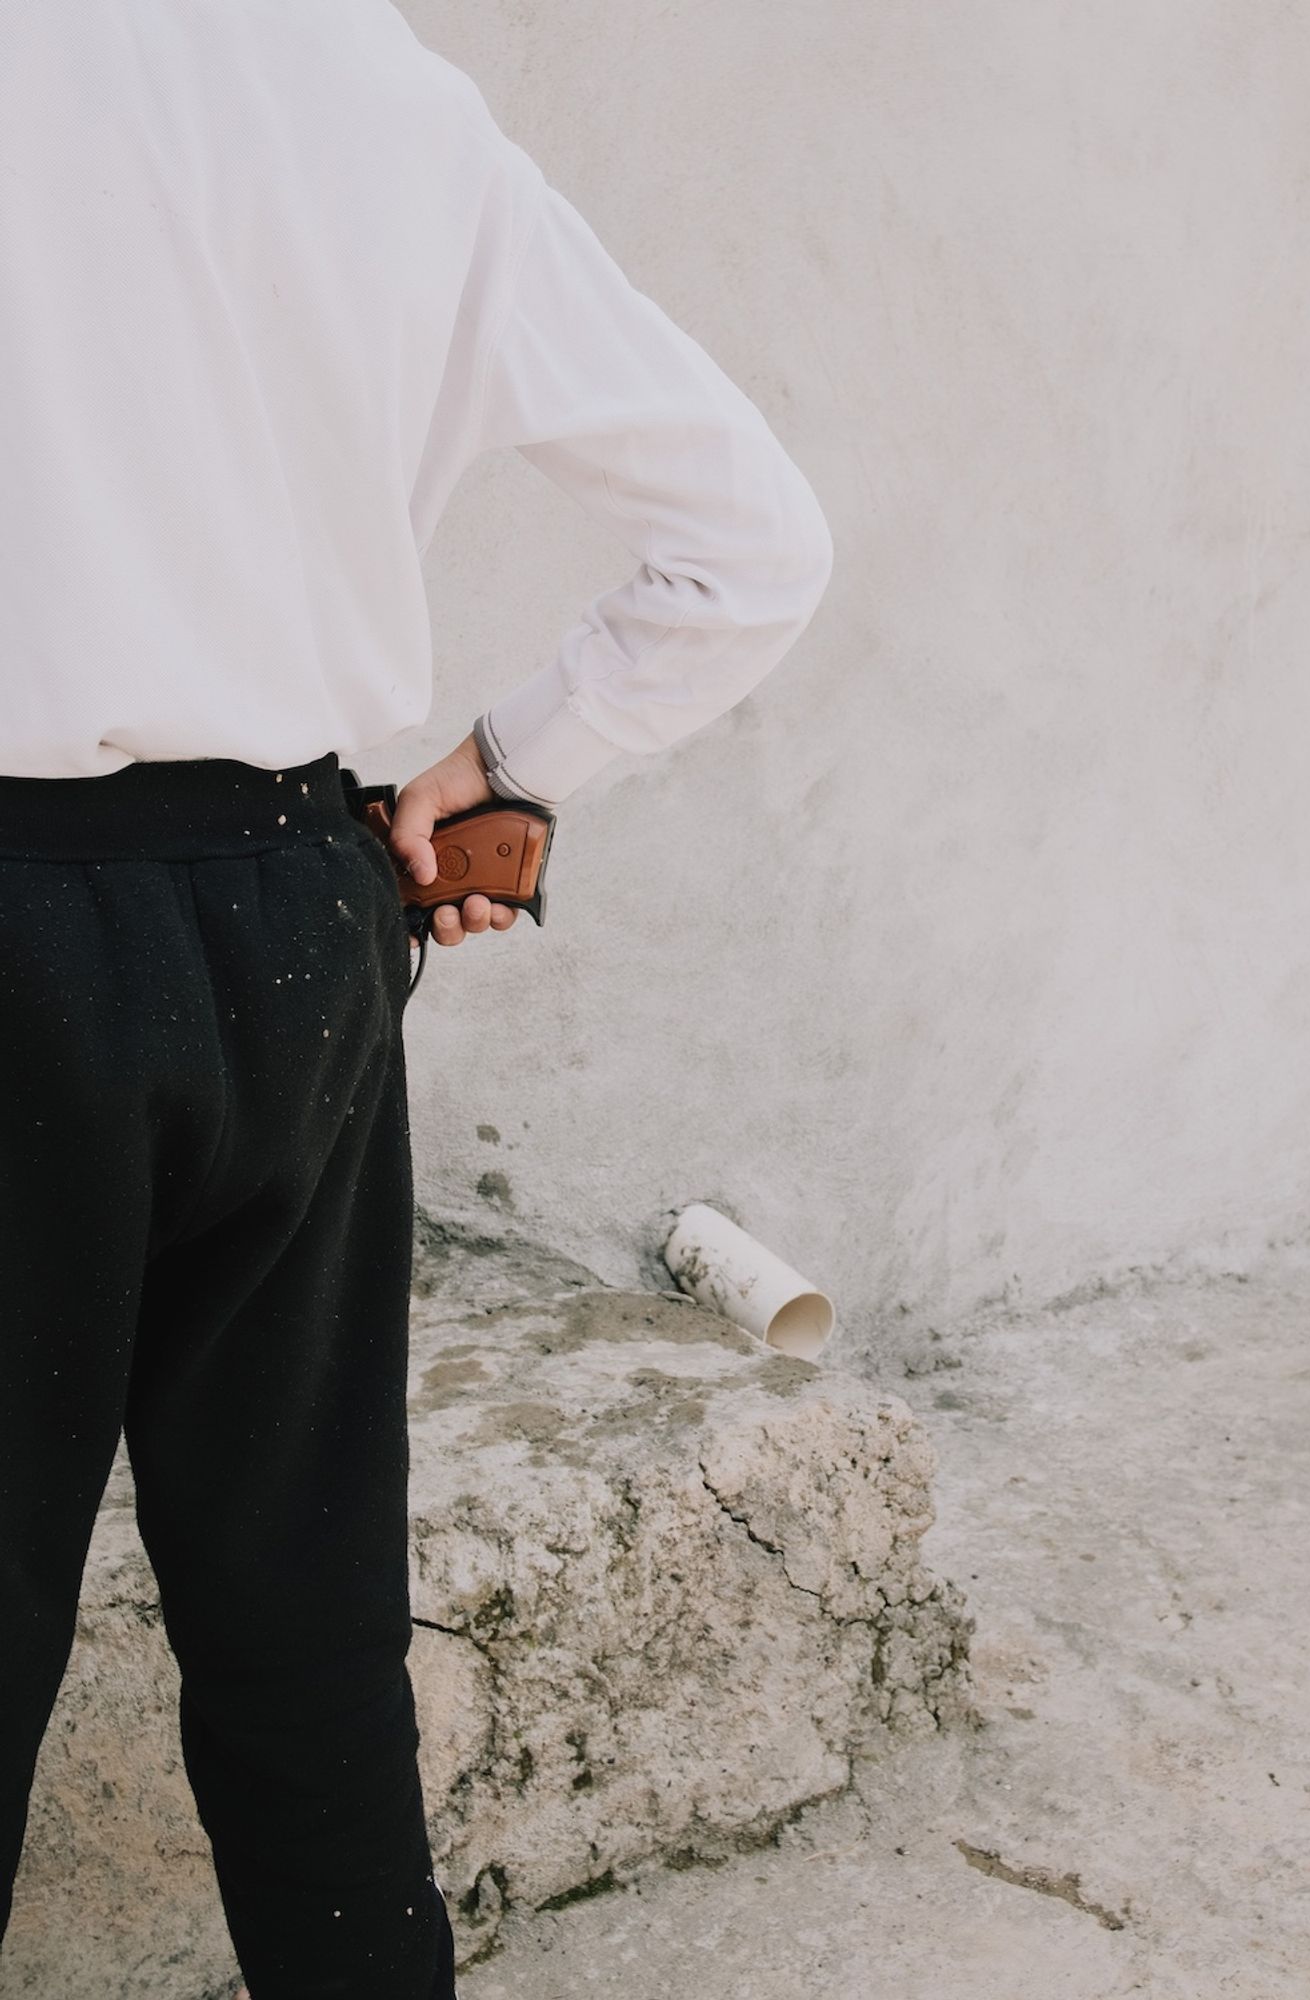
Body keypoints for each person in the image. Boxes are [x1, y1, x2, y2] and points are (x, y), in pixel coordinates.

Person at [0, 3, 834, 1996]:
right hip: (302, 917)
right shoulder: (390, 98)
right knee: (306, 1639)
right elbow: (751, 545)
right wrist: (509, 764)